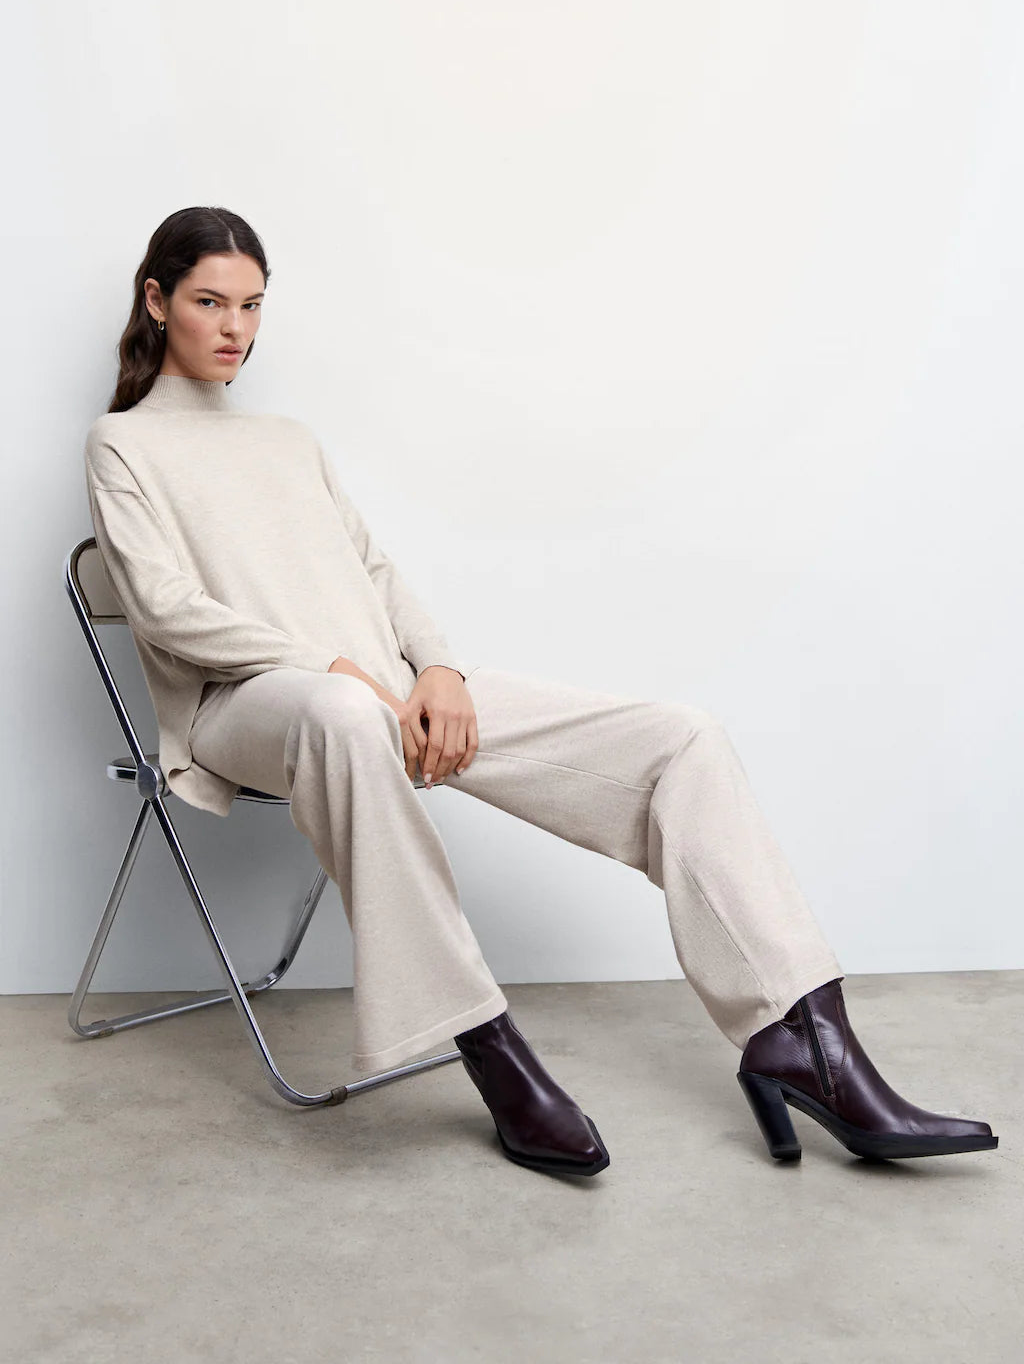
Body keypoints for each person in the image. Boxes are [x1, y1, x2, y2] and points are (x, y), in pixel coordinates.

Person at [83, 206, 998, 1176]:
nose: (235, 327)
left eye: (253, 305)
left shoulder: (288, 440)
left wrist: (439, 669)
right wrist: (329, 667)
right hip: (248, 707)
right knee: (344, 712)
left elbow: (374, 572)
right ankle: (491, 1052)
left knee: (681, 738)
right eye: (210, 302)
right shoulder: (121, 444)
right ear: (158, 300)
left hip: (383, 692)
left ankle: (803, 1038)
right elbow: (165, 608)